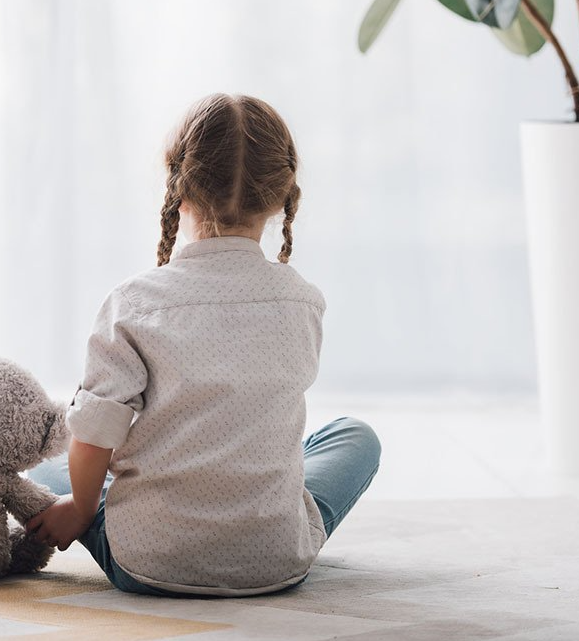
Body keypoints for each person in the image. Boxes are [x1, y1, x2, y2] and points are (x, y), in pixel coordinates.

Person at [26, 94, 381, 597]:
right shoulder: (305, 301)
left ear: (178, 189)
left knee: (50, 469)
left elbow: (94, 433)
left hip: (145, 562)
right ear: (282, 196)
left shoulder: (134, 302)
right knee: (355, 436)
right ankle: (268, 523)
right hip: (275, 563)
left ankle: (100, 506)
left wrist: (81, 510)